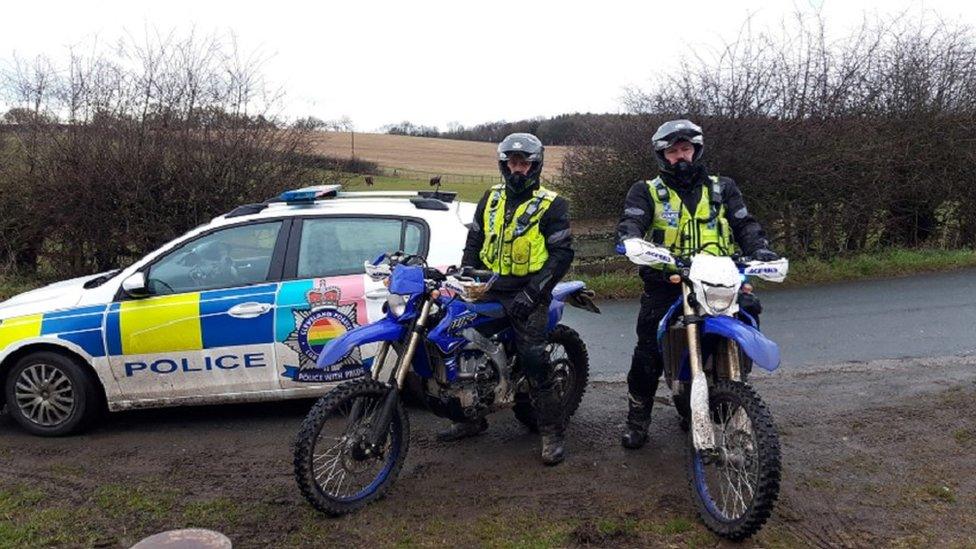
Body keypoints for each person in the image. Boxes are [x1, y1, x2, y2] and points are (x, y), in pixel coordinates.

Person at [616, 119, 778, 449]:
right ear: (662, 155)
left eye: (686, 149)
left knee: (749, 314)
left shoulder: (723, 187)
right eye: (673, 151)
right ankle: (638, 417)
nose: (681, 156)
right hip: (668, 280)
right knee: (648, 351)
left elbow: (745, 223)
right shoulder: (646, 190)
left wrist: (760, 249)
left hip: (721, 278)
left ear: (696, 150)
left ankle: (731, 388)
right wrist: (630, 239)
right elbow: (632, 220)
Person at [439, 132, 575, 466]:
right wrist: (468, 272)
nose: (517, 169)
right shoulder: (491, 198)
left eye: (524, 163)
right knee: (457, 342)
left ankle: (552, 432)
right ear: (504, 164)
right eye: (512, 162)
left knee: (533, 358)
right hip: (489, 288)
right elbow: (476, 239)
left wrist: (532, 293)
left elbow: (561, 255)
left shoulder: (552, 204)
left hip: (531, 291)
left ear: (535, 165)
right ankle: (471, 416)